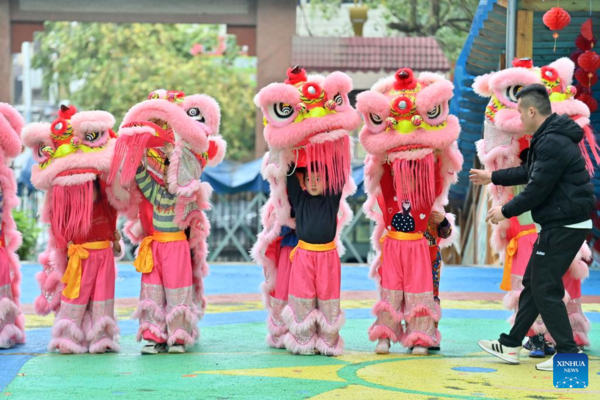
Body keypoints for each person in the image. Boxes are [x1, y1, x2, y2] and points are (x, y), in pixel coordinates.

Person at [470, 84, 594, 371]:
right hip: (560, 221)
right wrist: (494, 176)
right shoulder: (551, 137)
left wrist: (505, 211)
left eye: (520, 112)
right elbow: (531, 172)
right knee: (533, 284)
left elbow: (537, 188)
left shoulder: (552, 141)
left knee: (545, 288)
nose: (520, 120)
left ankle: (568, 353)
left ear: (531, 110)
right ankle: (511, 344)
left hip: (563, 224)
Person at [134, 143, 196, 355]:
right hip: (155, 247)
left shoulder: (187, 193)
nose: (167, 170)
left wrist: (175, 155)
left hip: (177, 247)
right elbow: (141, 178)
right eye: (166, 166)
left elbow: (188, 178)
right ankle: (154, 338)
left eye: (173, 167)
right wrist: (139, 151)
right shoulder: (158, 192)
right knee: (152, 291)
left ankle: (178, 338)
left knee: (177, 291)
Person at [52, 178, 122, 354]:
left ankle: (101, 338)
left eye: (92, 189)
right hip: (80, 257)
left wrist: (117, 241)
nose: (89, 194)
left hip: (104, 257)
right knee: (76, 296)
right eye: (84, 190)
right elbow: (59, 227)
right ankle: (69, 337)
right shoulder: (71, 207)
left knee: (102, 297)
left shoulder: (107, 205)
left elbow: (114, 188)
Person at [281, 164, 345, 356]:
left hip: (328, 257)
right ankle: (304, 341)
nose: (314, 183)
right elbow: (290, 178)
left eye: (319, 179)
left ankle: (328, 342)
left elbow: (339, 174)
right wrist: (291, 160)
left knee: (328, 296)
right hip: (304, 257)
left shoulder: (331, 200)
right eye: (310, 180)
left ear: (326, 182)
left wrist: (332, 154)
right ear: (304, 182)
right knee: (303, 295)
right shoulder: (300, 200)